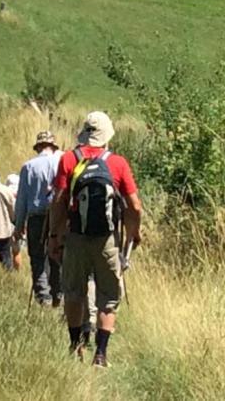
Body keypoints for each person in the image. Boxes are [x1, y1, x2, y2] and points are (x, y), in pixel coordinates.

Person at [48, 112, 143, 367]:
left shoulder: (69, 159)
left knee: (74, 292)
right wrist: (134, 233)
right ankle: (100, 355)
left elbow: (58, 202)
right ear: (107, 137)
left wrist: (54, 237)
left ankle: (75, 345)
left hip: (76, 236)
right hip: (107, 239)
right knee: (108, 296)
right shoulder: (118, 163)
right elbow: (134, 205)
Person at [13, 131, 63, 307]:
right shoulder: (60, 163)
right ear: (52, 147)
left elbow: (22, 199)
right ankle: (58, 294)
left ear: (39, 147)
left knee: (37, 257)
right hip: (57, 217)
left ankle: (43, 298)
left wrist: (19, 224)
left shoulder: (28, 166)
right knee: (57, 256)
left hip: (36, 217)